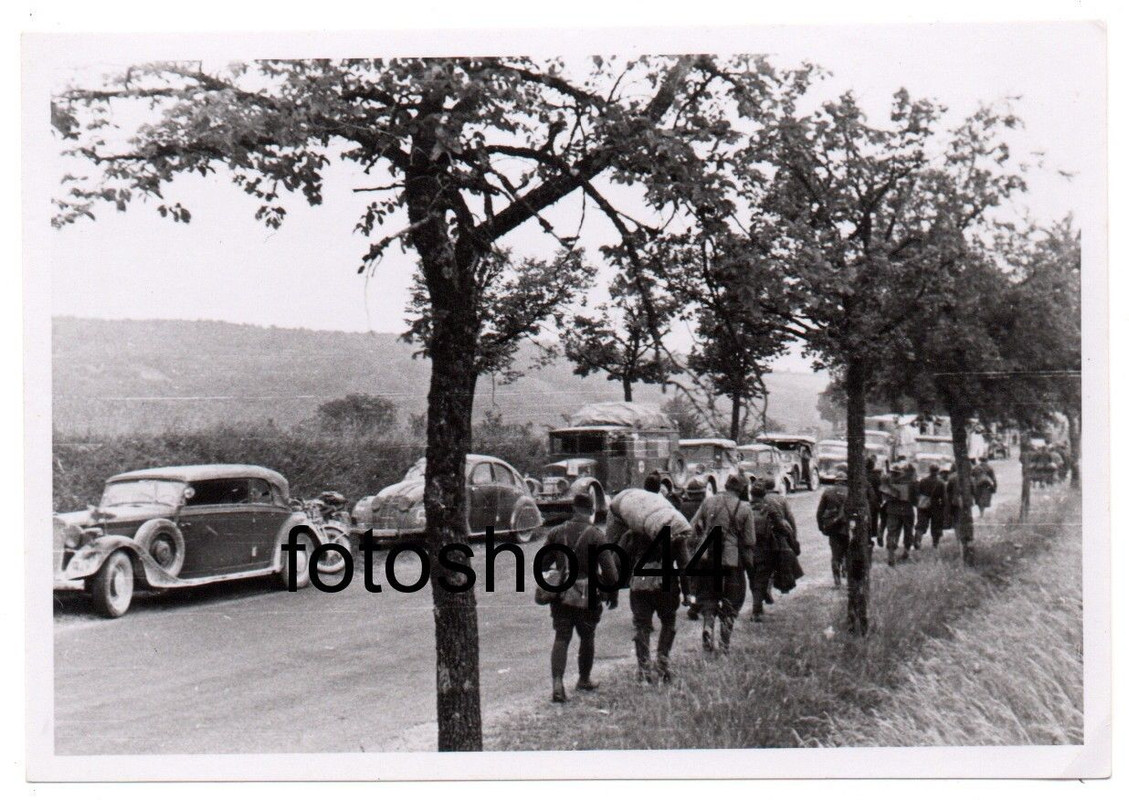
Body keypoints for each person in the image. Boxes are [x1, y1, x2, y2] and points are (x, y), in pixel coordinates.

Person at [606, 477, 693, 684]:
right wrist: (687, 592)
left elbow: (619, 561)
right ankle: (662, 664)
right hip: (666, 584)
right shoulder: (674, 531)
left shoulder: (632, 533)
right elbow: (684, 565)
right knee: (668, 623)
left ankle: (644, 670)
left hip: (640, 585)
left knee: (642, 626)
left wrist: (614, 591)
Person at [543, 492, 620, 703]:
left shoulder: (556, 533)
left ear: (573, 509)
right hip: (589, 597)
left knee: (561, 637)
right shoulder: (596, 536)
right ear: (592, 511)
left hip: (561, 594)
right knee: (587, 637)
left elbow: (541, 565)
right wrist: (611, 594)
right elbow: (611, 574)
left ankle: (557, 684)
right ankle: (584, 679)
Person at [689, 473, 757, 652]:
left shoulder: (708, 502)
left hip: (708, 558)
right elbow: (750, 540)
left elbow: (693, 527)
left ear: (726, 485)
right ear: (742, 489)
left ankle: (708, 628)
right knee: (732, 601)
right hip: (731, 561)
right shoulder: (744, 508)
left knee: (709, 597)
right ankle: (724, 644)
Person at [748, 480, 798, 621]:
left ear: (751, 494)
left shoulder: (744, 508)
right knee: (761, 579)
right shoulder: (769, 509)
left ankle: (757, 606)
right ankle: (756, 610)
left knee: (753, 578)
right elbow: (782, 527)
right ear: (764, 495)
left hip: (747, 550)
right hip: (765, 549)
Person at [816, 467, 850, 587]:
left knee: (835, 554)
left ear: (836, 481)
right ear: (846, 481)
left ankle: (837, 580)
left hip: (833, 527)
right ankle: (845, 568)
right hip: (848, 527)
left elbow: (820, 512)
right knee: (847, 550)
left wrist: (821, 526)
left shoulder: (828, 492)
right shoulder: (851, 492)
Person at [881, 462, 917, 566]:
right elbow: (915, 499)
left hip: (892, 510)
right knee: (908, 531)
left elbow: (884, 496)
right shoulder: (910, 482)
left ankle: (891, 555)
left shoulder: (887, 483)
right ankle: (906, 552)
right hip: (907, 510)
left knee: (892, 532)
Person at [915, 463, 948, 547]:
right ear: (938, 471)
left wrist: (919, 503)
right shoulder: (941, 483)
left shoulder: (923, 480)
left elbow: (918, 493)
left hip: (923, 505)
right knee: (936, 525)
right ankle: (935, 544)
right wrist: (944, 508)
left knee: (921, 525)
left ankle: (918, 540)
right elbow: (944, 498)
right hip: (936, 506)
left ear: (929, 471)